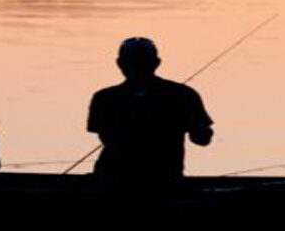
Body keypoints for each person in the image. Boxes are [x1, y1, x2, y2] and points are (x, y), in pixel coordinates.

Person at [87, 37, 213, 184]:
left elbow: (106, 137)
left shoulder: (104, 97)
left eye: (141, 62)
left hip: (114, 178)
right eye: (135, 62)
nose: (138, 67)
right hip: (161, 178)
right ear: (157, 63)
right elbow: (202, 139)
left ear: (119, 64)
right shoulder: (183, 94)